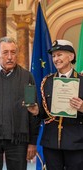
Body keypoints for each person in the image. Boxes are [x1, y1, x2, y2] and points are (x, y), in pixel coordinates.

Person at [0, 36, 40, 170]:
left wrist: (32, 143)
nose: (10, 57)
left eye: (13, 52)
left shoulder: (27, 77)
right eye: (5, 53)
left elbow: (32, 112)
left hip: (18, 139)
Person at [32, 39, 83, 170]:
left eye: (59, 54)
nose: (56, 59)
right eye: (54, 56)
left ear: (71, 56)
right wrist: (37, 111)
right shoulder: (47, 81)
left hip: (76, 142)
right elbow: (45, 113)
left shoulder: (82, 81)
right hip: (51, 142)